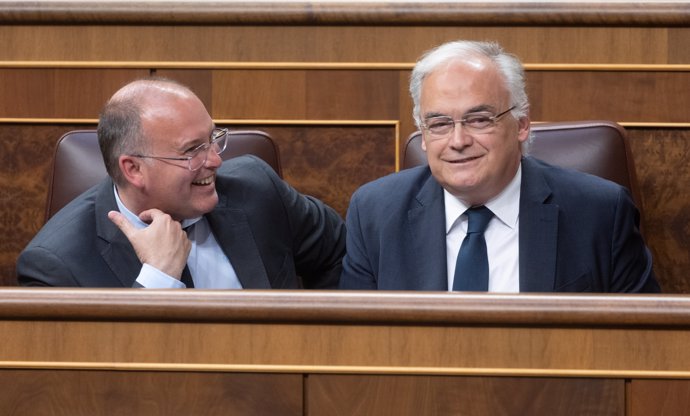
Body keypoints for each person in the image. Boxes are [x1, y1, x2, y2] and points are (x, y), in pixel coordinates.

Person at [340, 40, 660, 293]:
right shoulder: (376, 214)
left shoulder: (600, 213)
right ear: (423, 135)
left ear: (521, 125)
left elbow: (641, 350)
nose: (458, 140)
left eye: (479, 120)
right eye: (438, 123)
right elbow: (356, 348)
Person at [17, 78, 345, 289]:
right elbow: (87, 382)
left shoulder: (256, 190)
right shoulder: (58, 266)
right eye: (192, 150)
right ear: (133, 169)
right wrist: (158, 279)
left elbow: (341, 253)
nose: (215, 160)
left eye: (213, 139)